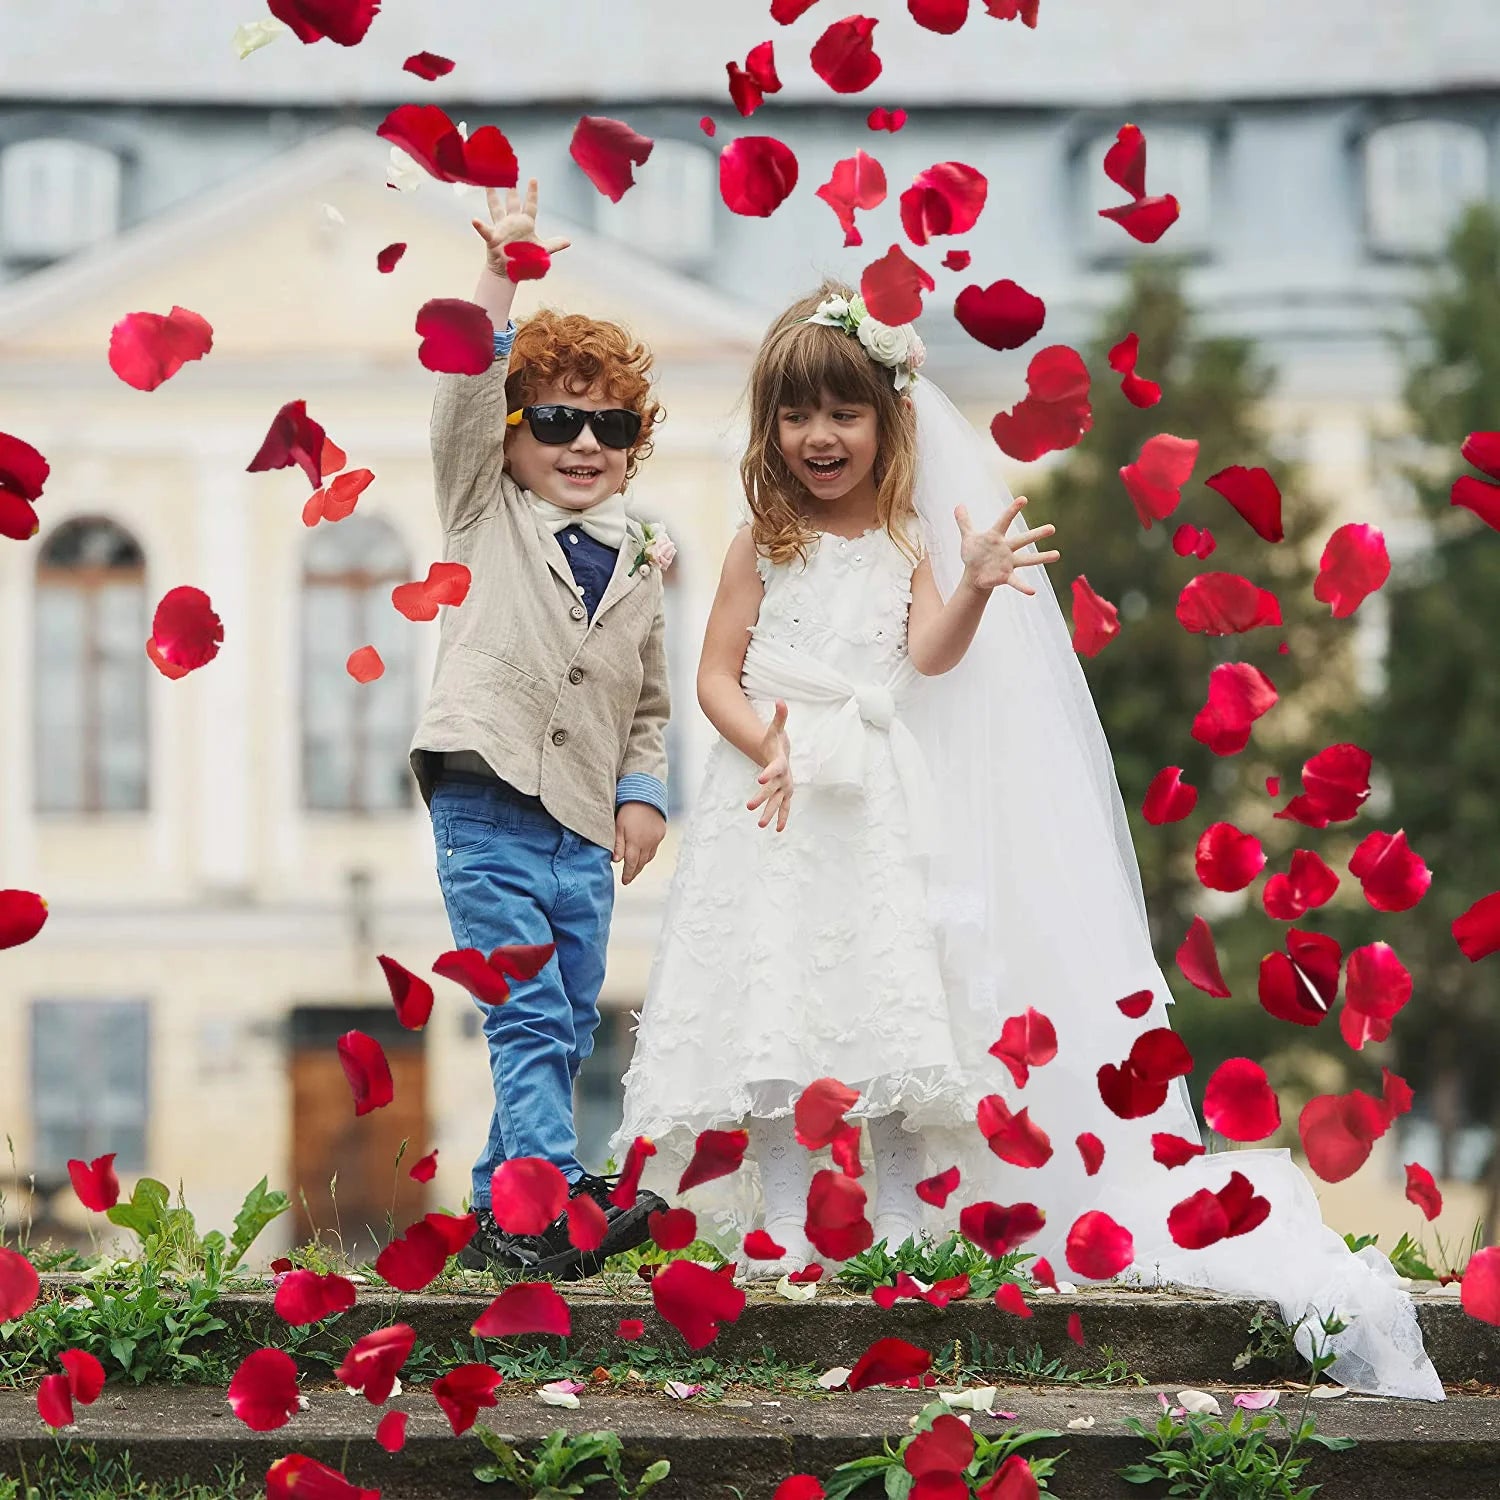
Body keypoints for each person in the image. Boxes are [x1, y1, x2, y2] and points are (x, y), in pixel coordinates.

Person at [613, 281, 1442, 1401]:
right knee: (770, 999)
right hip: (773, 799)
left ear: (886, 420)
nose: (821, 437)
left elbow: (932, 658)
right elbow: (713, 670)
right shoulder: (762, 545)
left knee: (887, 1003)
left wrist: (977, 587)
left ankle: (902, 1225)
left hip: (875, 805)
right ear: (771, 429)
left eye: (844, 414)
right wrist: (768, 740)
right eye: (799, 416)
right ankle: (787, 1229)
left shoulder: (907, 541)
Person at [412, 179, 671, 1278]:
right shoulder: (485, 508)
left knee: (564, 1023)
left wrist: (644, 791)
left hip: (578, 831)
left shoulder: (643, 560)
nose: (582, 444)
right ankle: (549, 1204)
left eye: (607, 427)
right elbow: (461, 394)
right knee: (522, 1016)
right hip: (486, 803)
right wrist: (501, 278)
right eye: (556, 420)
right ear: (514, 437)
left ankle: (490, 1212)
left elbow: (647, 702)